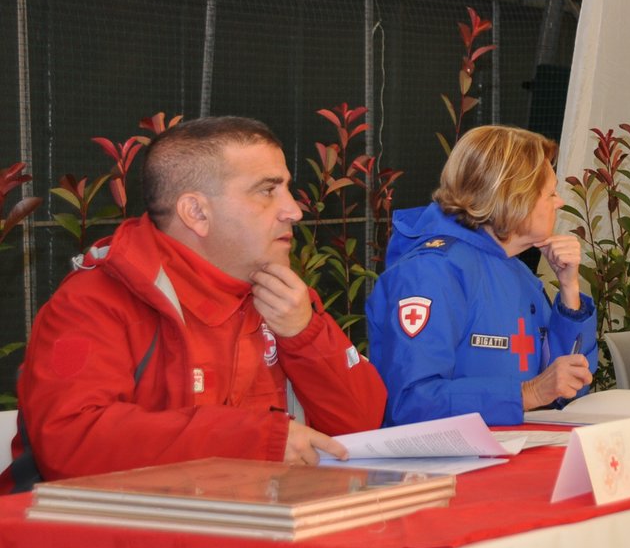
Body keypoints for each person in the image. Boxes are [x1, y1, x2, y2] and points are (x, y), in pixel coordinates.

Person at [9, 116, 386, 489]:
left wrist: (306, 334)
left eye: (287, 189)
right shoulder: (92, 302)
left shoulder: (283, 297)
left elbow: (363, 427)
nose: (294, 210)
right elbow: (71, 442)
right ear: (197, 213)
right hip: (111, 541)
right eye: (268, 191)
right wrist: (252, 440)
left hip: (245, 532)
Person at [366, 125, 597, 425]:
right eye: (551, 193)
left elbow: (569, 387)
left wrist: (569, 290)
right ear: (516, 198)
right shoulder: (430, 272)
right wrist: (527, 394)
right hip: (440, 467)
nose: (560, 202)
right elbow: (412, 402)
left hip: (510, 451)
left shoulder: (516, 271)